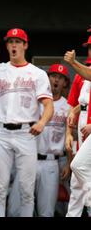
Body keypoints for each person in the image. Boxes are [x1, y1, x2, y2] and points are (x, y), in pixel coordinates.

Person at [0, 28, 54, 217]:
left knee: (26, 188)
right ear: (6, 46)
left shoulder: (37, 73)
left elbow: (48, 105)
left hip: (26, 132)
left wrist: (42, 122)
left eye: (17, 41)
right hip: (0, 132)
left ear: (25, 45)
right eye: (10, 42)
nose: (13, 45)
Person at [7, 64, 71, 217]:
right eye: (53, 76)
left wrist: (68, 163)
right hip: (29, 158)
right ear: (47, 78)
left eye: (60, 78)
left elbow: (71, 138)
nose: (56, 79)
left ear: (65, 83)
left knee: (46, 211)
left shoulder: (68, 107)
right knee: (16, 209)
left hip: (52, 162)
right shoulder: (33, 101)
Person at [64, 48, 91, 214]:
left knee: (79, 168)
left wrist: (73, 62)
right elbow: (77, 105)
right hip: (82, 129)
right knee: (77, 177)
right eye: (88, 47)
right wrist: (68, 133)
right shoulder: (81, 75)